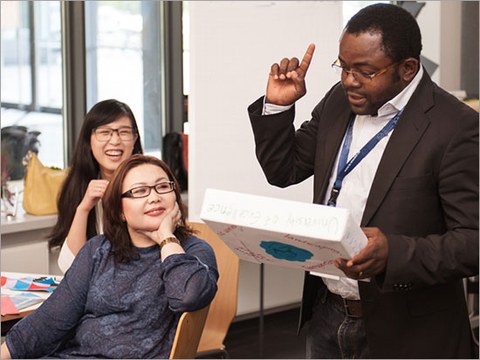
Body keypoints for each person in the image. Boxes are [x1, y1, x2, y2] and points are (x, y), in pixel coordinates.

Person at [248, 3, 478, 359]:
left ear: (407, 69)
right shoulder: (340, 101)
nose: (348, 81)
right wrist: (278, 107)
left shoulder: (456, 126)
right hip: (328, 313)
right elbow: (284, 170)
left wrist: (394, 253)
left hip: (407, 330)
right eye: (343, 66)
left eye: (365, 71)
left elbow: (473, 242)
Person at [2, 154, 218, 359]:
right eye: (140, 191)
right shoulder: (98, 249)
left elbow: (189, 296)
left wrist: (166, 238)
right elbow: (50, 320)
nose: (154, 197)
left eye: (162, 187)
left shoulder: (193, 252)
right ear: (120, 211)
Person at [48, 99, 143, 273]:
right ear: (89, 140)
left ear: (134, 140)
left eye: (123, 132)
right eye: (105, 132)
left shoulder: (149, 187)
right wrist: (83, 208)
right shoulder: (77, 186)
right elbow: (71, 267)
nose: (114, 141)